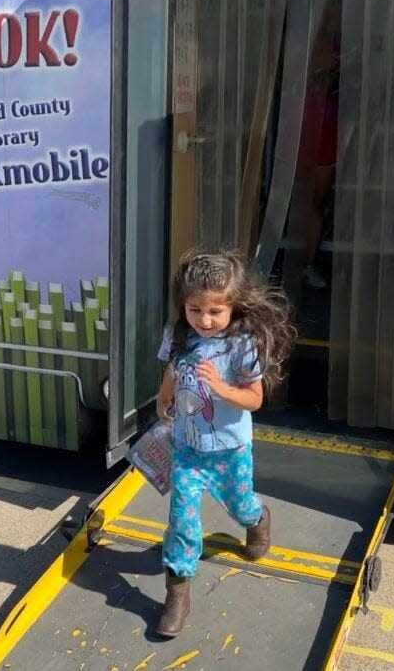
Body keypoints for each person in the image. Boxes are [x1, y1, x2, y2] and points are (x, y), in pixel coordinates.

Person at [152, 248, 296, 637]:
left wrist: (220, 387)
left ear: (233, 306)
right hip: (187, 448)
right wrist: (164, 396)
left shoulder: (241, 345)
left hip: (230, 451)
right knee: (181, 520)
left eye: (215, 311)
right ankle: (177, 593)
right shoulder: (179, 335)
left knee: (239, 505)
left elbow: (254, 399)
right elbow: (172, 368)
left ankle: (257, 518)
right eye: (195, 310)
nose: (205, 320)